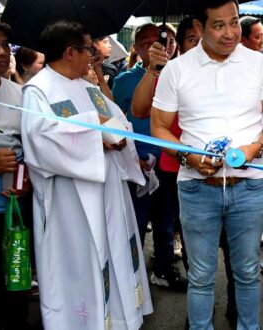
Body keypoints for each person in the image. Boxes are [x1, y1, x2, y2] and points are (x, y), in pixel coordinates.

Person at [150, 0, 263, 328]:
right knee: (200, 277)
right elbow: (158, 125)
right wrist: (187, 156)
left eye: (235, 22)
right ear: (199, 26)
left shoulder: (260, 64)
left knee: (248, 275)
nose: (230, 33)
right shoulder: (177, 69)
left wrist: (254, 148)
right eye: (219, 25)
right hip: (196, 189)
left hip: (250, 186)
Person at [21, 20, 152, 329]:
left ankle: (119, 320)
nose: (94, 56)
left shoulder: (86, 86)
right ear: (70, 52)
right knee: (84, 263)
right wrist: (99, 139)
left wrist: (121, 136)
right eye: (89, 50)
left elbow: (114, 117)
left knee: (114, 251)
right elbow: (41, 141)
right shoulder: (39, 91)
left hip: (107, 189)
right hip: (71, 201)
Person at [112, 23, 188, 290]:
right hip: (138, 163)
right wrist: (133, 158)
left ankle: (164, 268)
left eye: (159, 40)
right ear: (136, 47)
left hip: (170, 162)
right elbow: (116, 121)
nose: (153, 45)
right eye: (145, 41)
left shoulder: (181, 73)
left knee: (167, 221)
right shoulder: (124, 81)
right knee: (136, 221)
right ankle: (131, 279)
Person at [0, 19, 34, 330]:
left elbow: (33, 147)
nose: (1, 52)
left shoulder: (19, 93)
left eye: (5, 46)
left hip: (15, 211)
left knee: (15, 285)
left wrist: (27, 177)